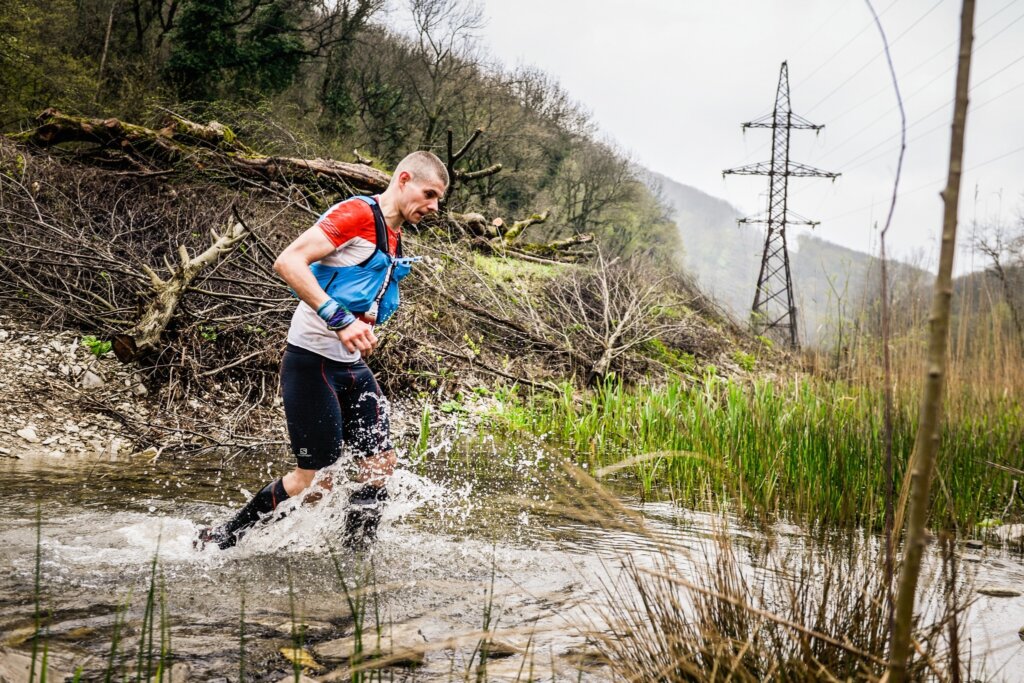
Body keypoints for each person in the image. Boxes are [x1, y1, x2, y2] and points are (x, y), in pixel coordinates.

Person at [197, 151, 449, 550]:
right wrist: (341, 319)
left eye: (439, 199)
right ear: (403, 180)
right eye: (429, 193)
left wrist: (363, 323)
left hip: (350, 367)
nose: (434, 207)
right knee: (310, 479)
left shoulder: (394, 234)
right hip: (311, 362)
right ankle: (219, 539)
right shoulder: (357, 214)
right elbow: (289, 261)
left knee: (380, 466)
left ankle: (355, 564)